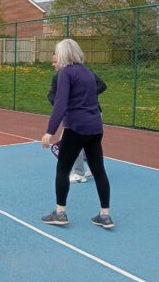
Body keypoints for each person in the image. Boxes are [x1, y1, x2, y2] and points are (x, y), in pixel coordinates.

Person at [41, 39, 114, 229]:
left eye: (57, 52)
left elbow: (60, 104)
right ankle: (105, 215)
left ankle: (60, 213)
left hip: (76, 128)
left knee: (62, 170)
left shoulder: (66, 73)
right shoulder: (88, 72)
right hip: (95, 128)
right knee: (99, 171)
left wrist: (50, 132)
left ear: (63, 53)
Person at [47, 52, 107, 183]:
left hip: (92, 114)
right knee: (79, 144)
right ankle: (89, 167)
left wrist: (85, 94)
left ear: (63, 59)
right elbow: (52, 94)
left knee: (77, 143)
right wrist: (59, 102)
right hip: (73, 116)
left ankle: (79, 173)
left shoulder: (86, 73)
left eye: (54, 61)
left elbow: (102, 85)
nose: (52, 64)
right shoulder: (57, 78)